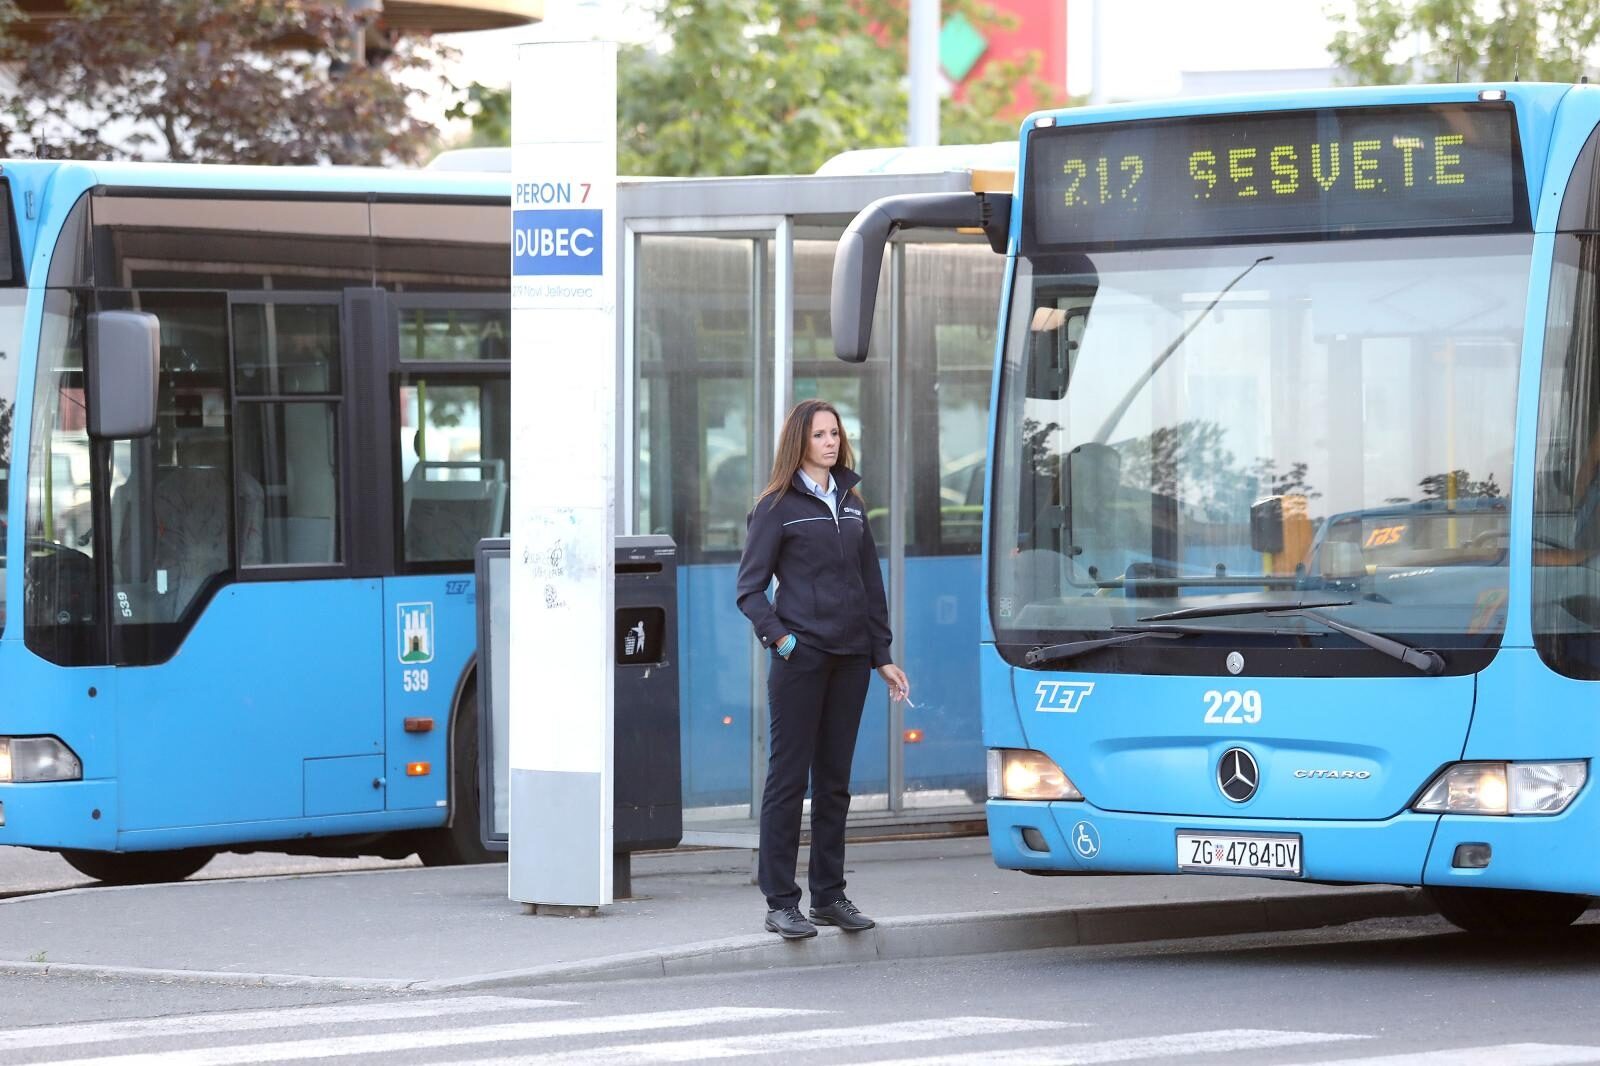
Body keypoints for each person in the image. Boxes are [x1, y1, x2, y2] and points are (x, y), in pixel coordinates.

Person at [735, 398, 911, 940]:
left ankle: (829, 896)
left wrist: (881, 654)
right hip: (802, 658)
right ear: (799, 442)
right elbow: (749, 590)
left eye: (835, 433)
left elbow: (870, 586)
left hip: (852, 658)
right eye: (819, 435)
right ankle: (780, 901)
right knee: (788, 780)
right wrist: (783, 641)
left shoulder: (851, 504)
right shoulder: (776, 506)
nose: (831, 442)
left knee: (835, 783)